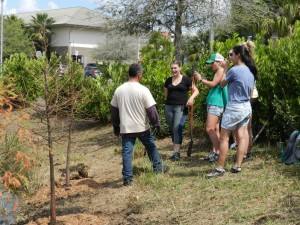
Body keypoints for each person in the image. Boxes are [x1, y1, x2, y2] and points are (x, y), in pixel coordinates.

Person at [110, 64, 169, 186]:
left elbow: (114, 110)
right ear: (139, 75)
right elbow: (151, 110)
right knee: (151, 147)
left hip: (126, 128)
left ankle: (127, 179)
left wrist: (116, 126)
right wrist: (157, 124)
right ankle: (158, 169)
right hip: (142, 127)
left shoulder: (119, 90)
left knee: (127, 153)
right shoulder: (143, 90)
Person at [207, 44, 258, 177]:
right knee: (242, 136)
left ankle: (220, 168)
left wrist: (225, 68)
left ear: (238, 55)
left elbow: (222, 83)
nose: (230, 57)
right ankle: (238, 166)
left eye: (231, 55)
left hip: (234, 107)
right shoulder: (251, 70)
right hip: (246, 106)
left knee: (224, 138)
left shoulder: (234, 70)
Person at [194, 53, 228, 163]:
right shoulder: (220, 71)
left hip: (216, 103)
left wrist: (200, 79)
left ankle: (220, 152)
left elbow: (213, 84)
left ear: (218, 62)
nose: (210, 65)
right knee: (216, 129)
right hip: (214, 102)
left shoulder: (221, 71)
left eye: (212, 63)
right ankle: (216, 153)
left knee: (209, 128)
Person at [164, 61, 199, 160]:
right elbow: (166, 93)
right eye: (172, 68)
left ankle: (176, 153)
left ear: (180, 68)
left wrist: (191, 98)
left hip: (180, 107)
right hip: (169, 107)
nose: (173, 70)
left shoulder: (186, 80)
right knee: (172, 128)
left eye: (175, 68)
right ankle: (175, 150)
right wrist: (167, 102)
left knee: (177, 128)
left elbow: (196, 91)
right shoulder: (168, 80)